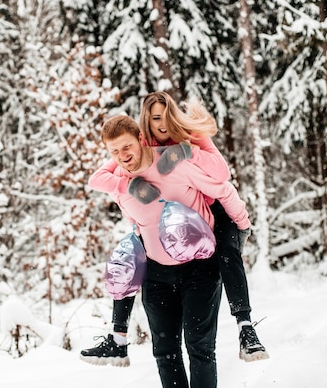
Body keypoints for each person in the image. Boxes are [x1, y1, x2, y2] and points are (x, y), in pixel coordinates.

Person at [80, 92, 268, 367]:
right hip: (170, 225)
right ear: (146, 122)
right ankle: (118, 338)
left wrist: (184, 151)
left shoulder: (188, 135)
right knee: (130, 253)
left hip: (213, 208)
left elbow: (222, 175)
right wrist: (128, 187)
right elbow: (99, 177)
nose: (163, 123)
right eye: (156, 118)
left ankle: (245, 326)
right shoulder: (138, 146)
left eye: (167, 116)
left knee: (228, 252)